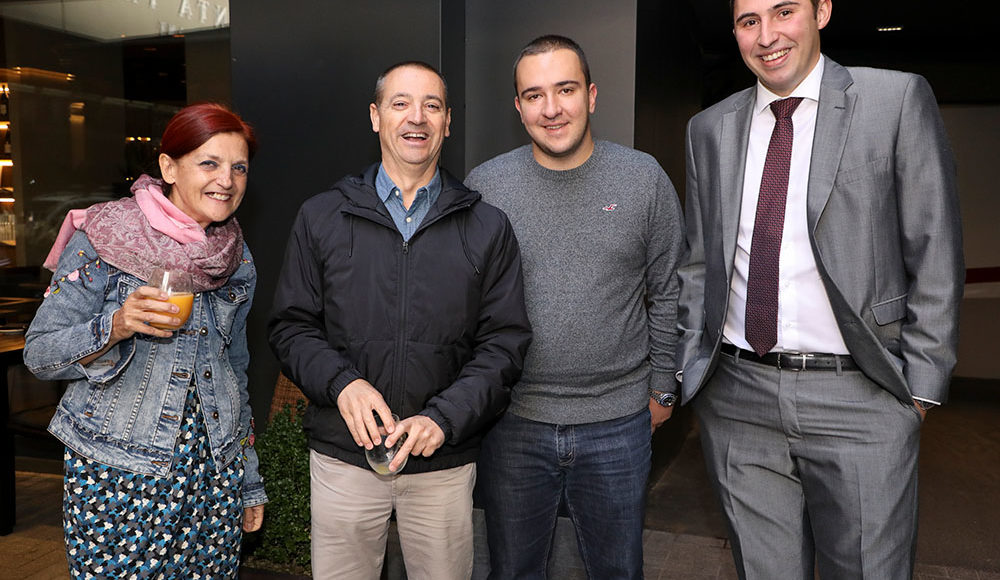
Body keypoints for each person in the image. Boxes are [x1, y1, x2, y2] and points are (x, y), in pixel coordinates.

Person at [677, 0, 964, 578]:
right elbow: (699, 261)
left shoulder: (894, 100)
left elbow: (935, 246)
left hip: (862, 395)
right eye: (749, 21)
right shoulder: (708, 128)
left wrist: (921, 388)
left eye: (783, 11)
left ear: (822, 11)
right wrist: (692, 366)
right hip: (738, 399)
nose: (767, 36)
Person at [267, 61, 531, 580]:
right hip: (345, 457)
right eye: (401, 103)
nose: (417, 117)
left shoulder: (487, 226)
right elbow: (291, 326)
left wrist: (444, 418)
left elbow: (504, 344)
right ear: (375, 117)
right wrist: (343, 385)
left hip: (442, 462)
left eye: (432, 105)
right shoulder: (321, 216)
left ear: (448, 122)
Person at [465, 35, 686, 579]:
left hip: (618, 422)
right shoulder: (486, 187)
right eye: (534, 95)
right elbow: (465, 303)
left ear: (591, 95)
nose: (552, 108)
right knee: (513, 571)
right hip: (512, 424)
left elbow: (669, 290)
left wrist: (663, 388)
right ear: (518, 108)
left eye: (565, 90)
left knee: (618, 571)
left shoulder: (643, 179)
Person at [23, 102, 267, 578]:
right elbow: (40, 352)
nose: (227, 180)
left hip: (212, 476)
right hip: (118, 472)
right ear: (169, 167)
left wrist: (249, 477)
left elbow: (234, 372)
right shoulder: (106, 236)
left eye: (239, 167)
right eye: (209, 163)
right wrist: (115, 325)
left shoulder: (236, 257)